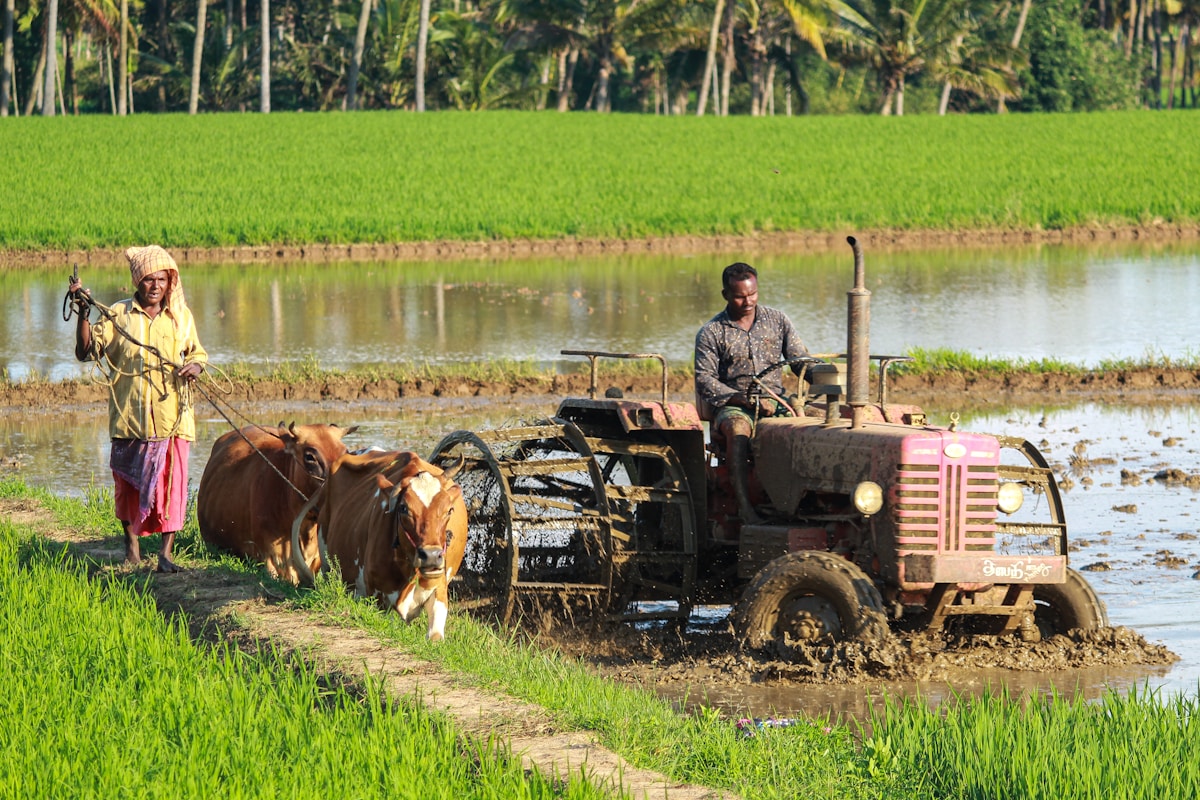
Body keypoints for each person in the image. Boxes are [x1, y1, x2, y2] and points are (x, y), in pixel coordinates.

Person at [69, 246, 207, 572]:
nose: (155, 286)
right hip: (130, 419)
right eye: (148, 279)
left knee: (172, 487)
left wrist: (196, 367)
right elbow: (85, 352)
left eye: (161, 279)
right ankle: (132, 548)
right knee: (128, 487)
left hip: (173, 419)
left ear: (169, 282)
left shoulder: (180, 317)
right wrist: (84, 313)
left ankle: (166, 555)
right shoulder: (118, 314)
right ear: (137, 281)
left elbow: (198, 354)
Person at [695, 262, 807, 525]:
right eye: (739, 296)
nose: (748, 301)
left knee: (815, 424)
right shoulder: (712, 332)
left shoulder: (778, 321)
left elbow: (800, 360)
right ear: (725, 295)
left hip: (776, 401)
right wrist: (741, 399)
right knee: (738, 431)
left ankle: (801, 503)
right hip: (734, 405)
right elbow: (704, 379)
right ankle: (746, 508)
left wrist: (824, 376)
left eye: (752, 294)